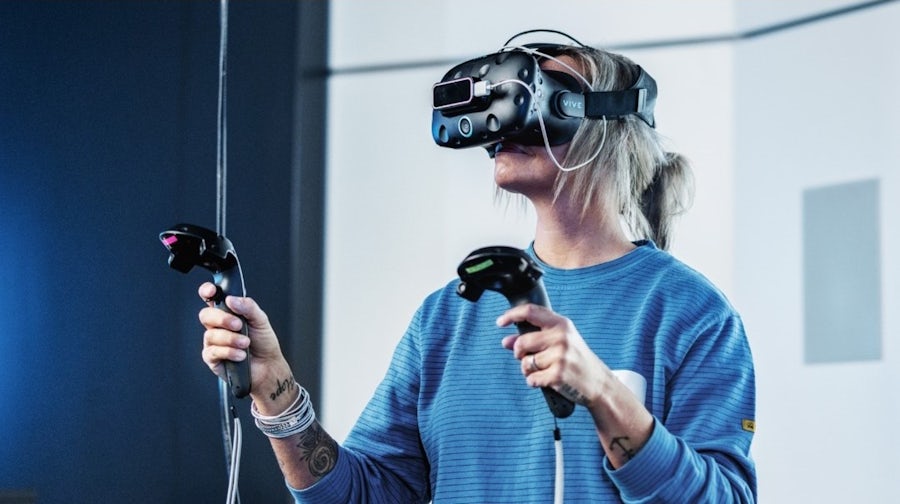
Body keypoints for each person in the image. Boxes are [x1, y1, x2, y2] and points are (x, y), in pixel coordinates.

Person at [198, 35, 756, 503]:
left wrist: (603, 393)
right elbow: (361, 495)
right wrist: (275, 392)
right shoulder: (450, 314)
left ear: (610, 126)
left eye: (538, 91)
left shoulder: (691, 312)